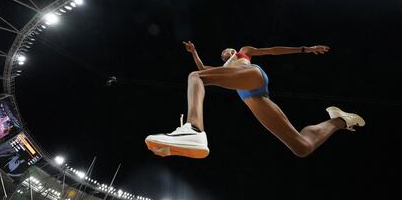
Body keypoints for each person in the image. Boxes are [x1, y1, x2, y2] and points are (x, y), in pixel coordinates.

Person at [145, 42, 365, 158]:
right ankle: (339, 120)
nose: (226, 54)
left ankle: (193, 129)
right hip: (253, 97)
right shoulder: (223, 69)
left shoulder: (243, 52)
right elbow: (202, 68)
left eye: (227, 51)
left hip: (254, 76)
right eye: (223, 54)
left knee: (195, 77)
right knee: (301, 147)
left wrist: (305, 49)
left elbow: (271, 51)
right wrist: (194, 52)